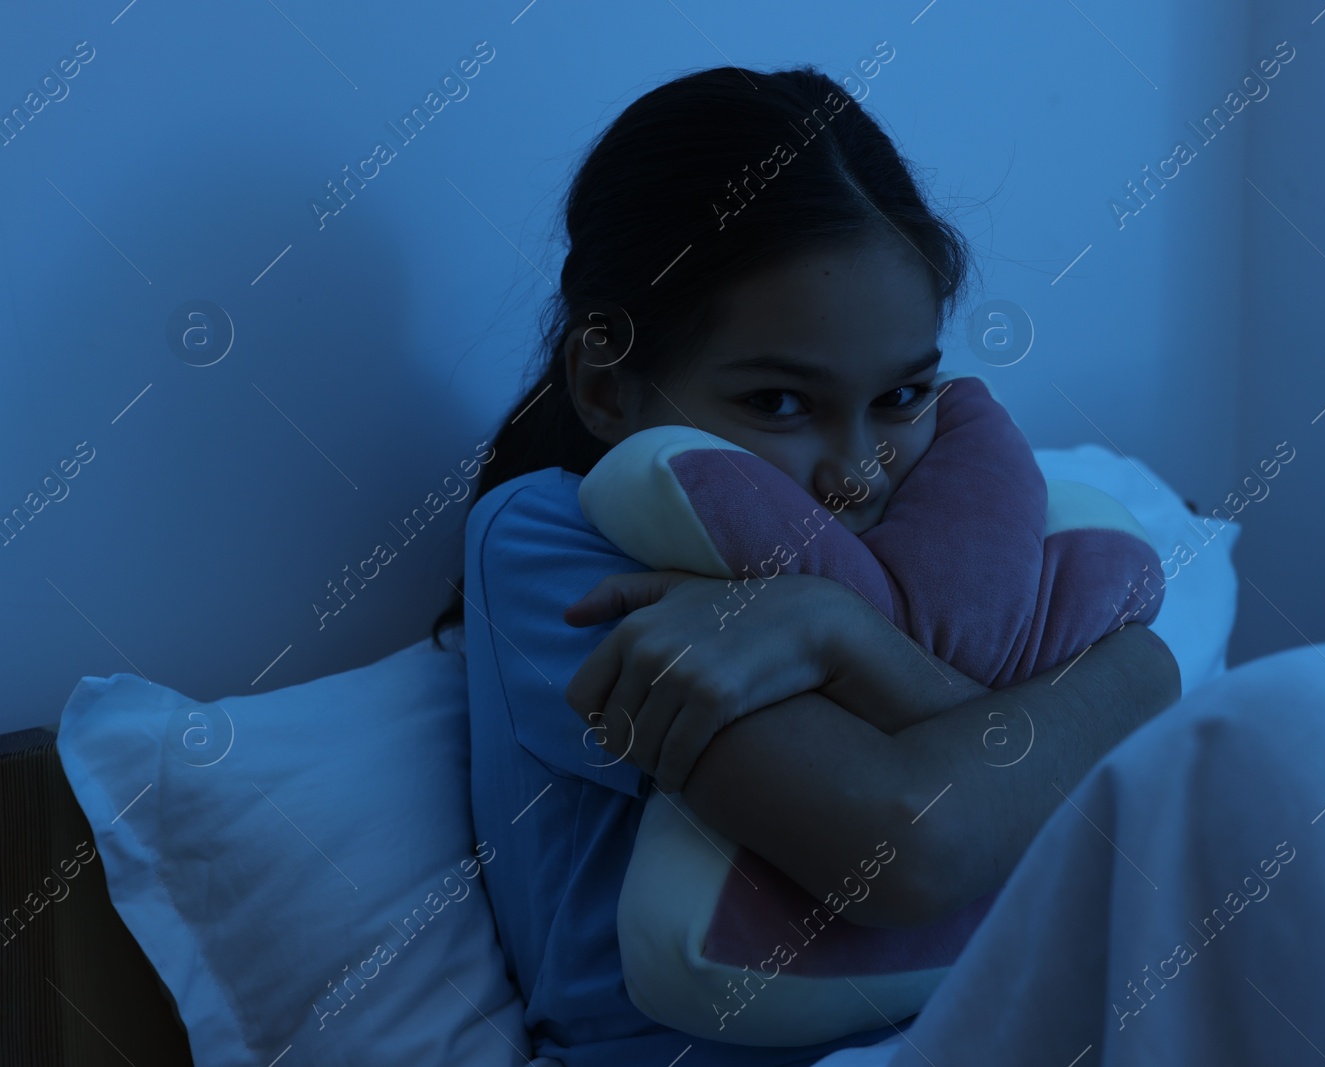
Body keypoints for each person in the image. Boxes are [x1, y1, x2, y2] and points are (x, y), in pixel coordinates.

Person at [431, 64, 1181, 1066]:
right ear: (607, 388)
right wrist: (1108, 690)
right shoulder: (551, 548)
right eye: (779, 403)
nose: (856, 474)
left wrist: (838, 634)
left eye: (904, 396)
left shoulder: (910, 543)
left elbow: (1137, 733)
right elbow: (914, 848)